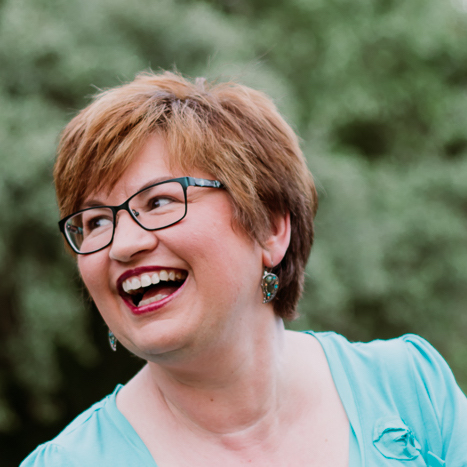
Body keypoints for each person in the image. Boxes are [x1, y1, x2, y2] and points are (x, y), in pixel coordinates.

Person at [21, 71, 466, 467]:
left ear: (270, 228)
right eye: (96, 222)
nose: (123, 244)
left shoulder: (410, 389)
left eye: (159, 202)